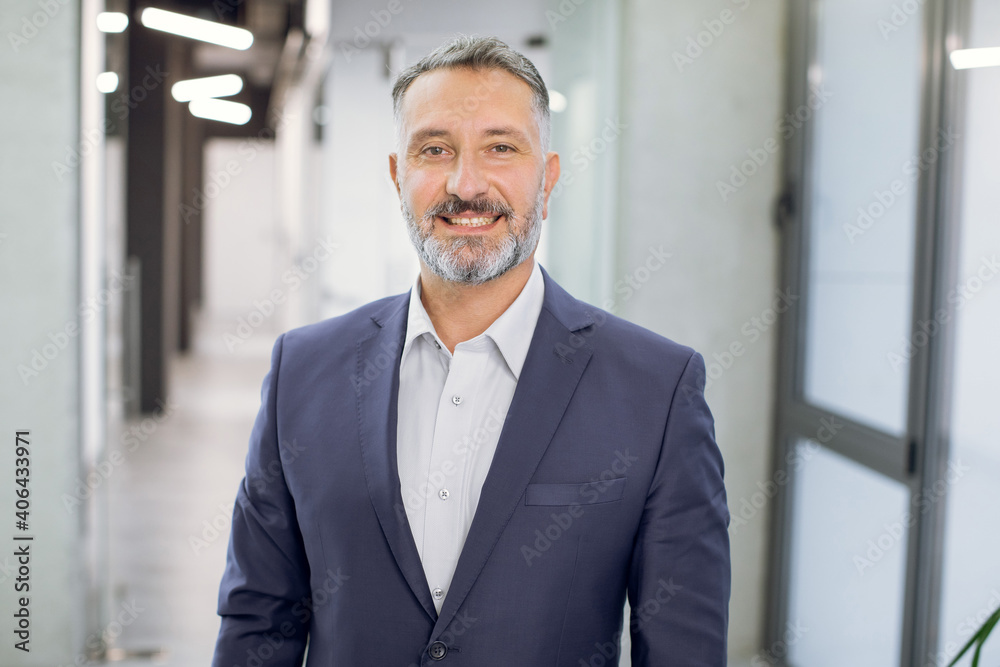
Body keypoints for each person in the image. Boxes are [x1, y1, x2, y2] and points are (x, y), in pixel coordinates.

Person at [212, 35, 730, 667]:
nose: (466, 183)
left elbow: (683, 647)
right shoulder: (304, 370)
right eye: (435, 150)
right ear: (399, 176)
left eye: (501, 147)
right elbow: (259, 616)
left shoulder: (656, 391)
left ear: (549, 177)